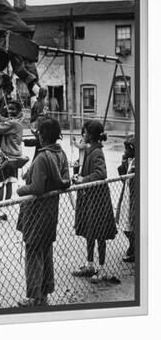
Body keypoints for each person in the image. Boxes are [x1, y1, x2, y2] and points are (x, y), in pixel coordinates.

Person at [16, 116, 70, 307]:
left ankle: (33, 296)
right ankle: (44, 293)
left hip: (36, 213)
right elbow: (60, 180)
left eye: (38, 131)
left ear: (42, 135)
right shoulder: (60, 154)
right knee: (45, 251)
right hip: (50, 212)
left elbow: (37, 187)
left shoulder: (42, 157)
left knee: (32, 252)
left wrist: (21, 189)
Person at [72, 121, 117, 283]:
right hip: (88, 197)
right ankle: (90, 264)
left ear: (90, 135)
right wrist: (77, 170)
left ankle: (102, 268)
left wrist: (84, 179)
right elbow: (86, 168)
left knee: (100, 234)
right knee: (89, 231)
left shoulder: (97, 151)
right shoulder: (88, 150)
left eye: (84, 133)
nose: (82, 135)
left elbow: (101, 173)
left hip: (97, 198)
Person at [0, 100, 27, 201]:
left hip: (7, 157)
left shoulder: (13, 123)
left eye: (12, 109)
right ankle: (7, 204)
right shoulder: (16, 120)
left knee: (0, 183)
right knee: (9, 182)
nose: (9, 111)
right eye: (9, 108)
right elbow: (1, 118)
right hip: (15, 157)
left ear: (18, 111)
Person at [117, 134, 136, 263]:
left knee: (133, 224)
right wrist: (123, 163)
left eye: (127, 149)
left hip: (134, 198)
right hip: (127, 196)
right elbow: (124, 179)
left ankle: (135, 248)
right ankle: (132, 245)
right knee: (125, 224)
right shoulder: (130, 161)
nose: (125, 152)